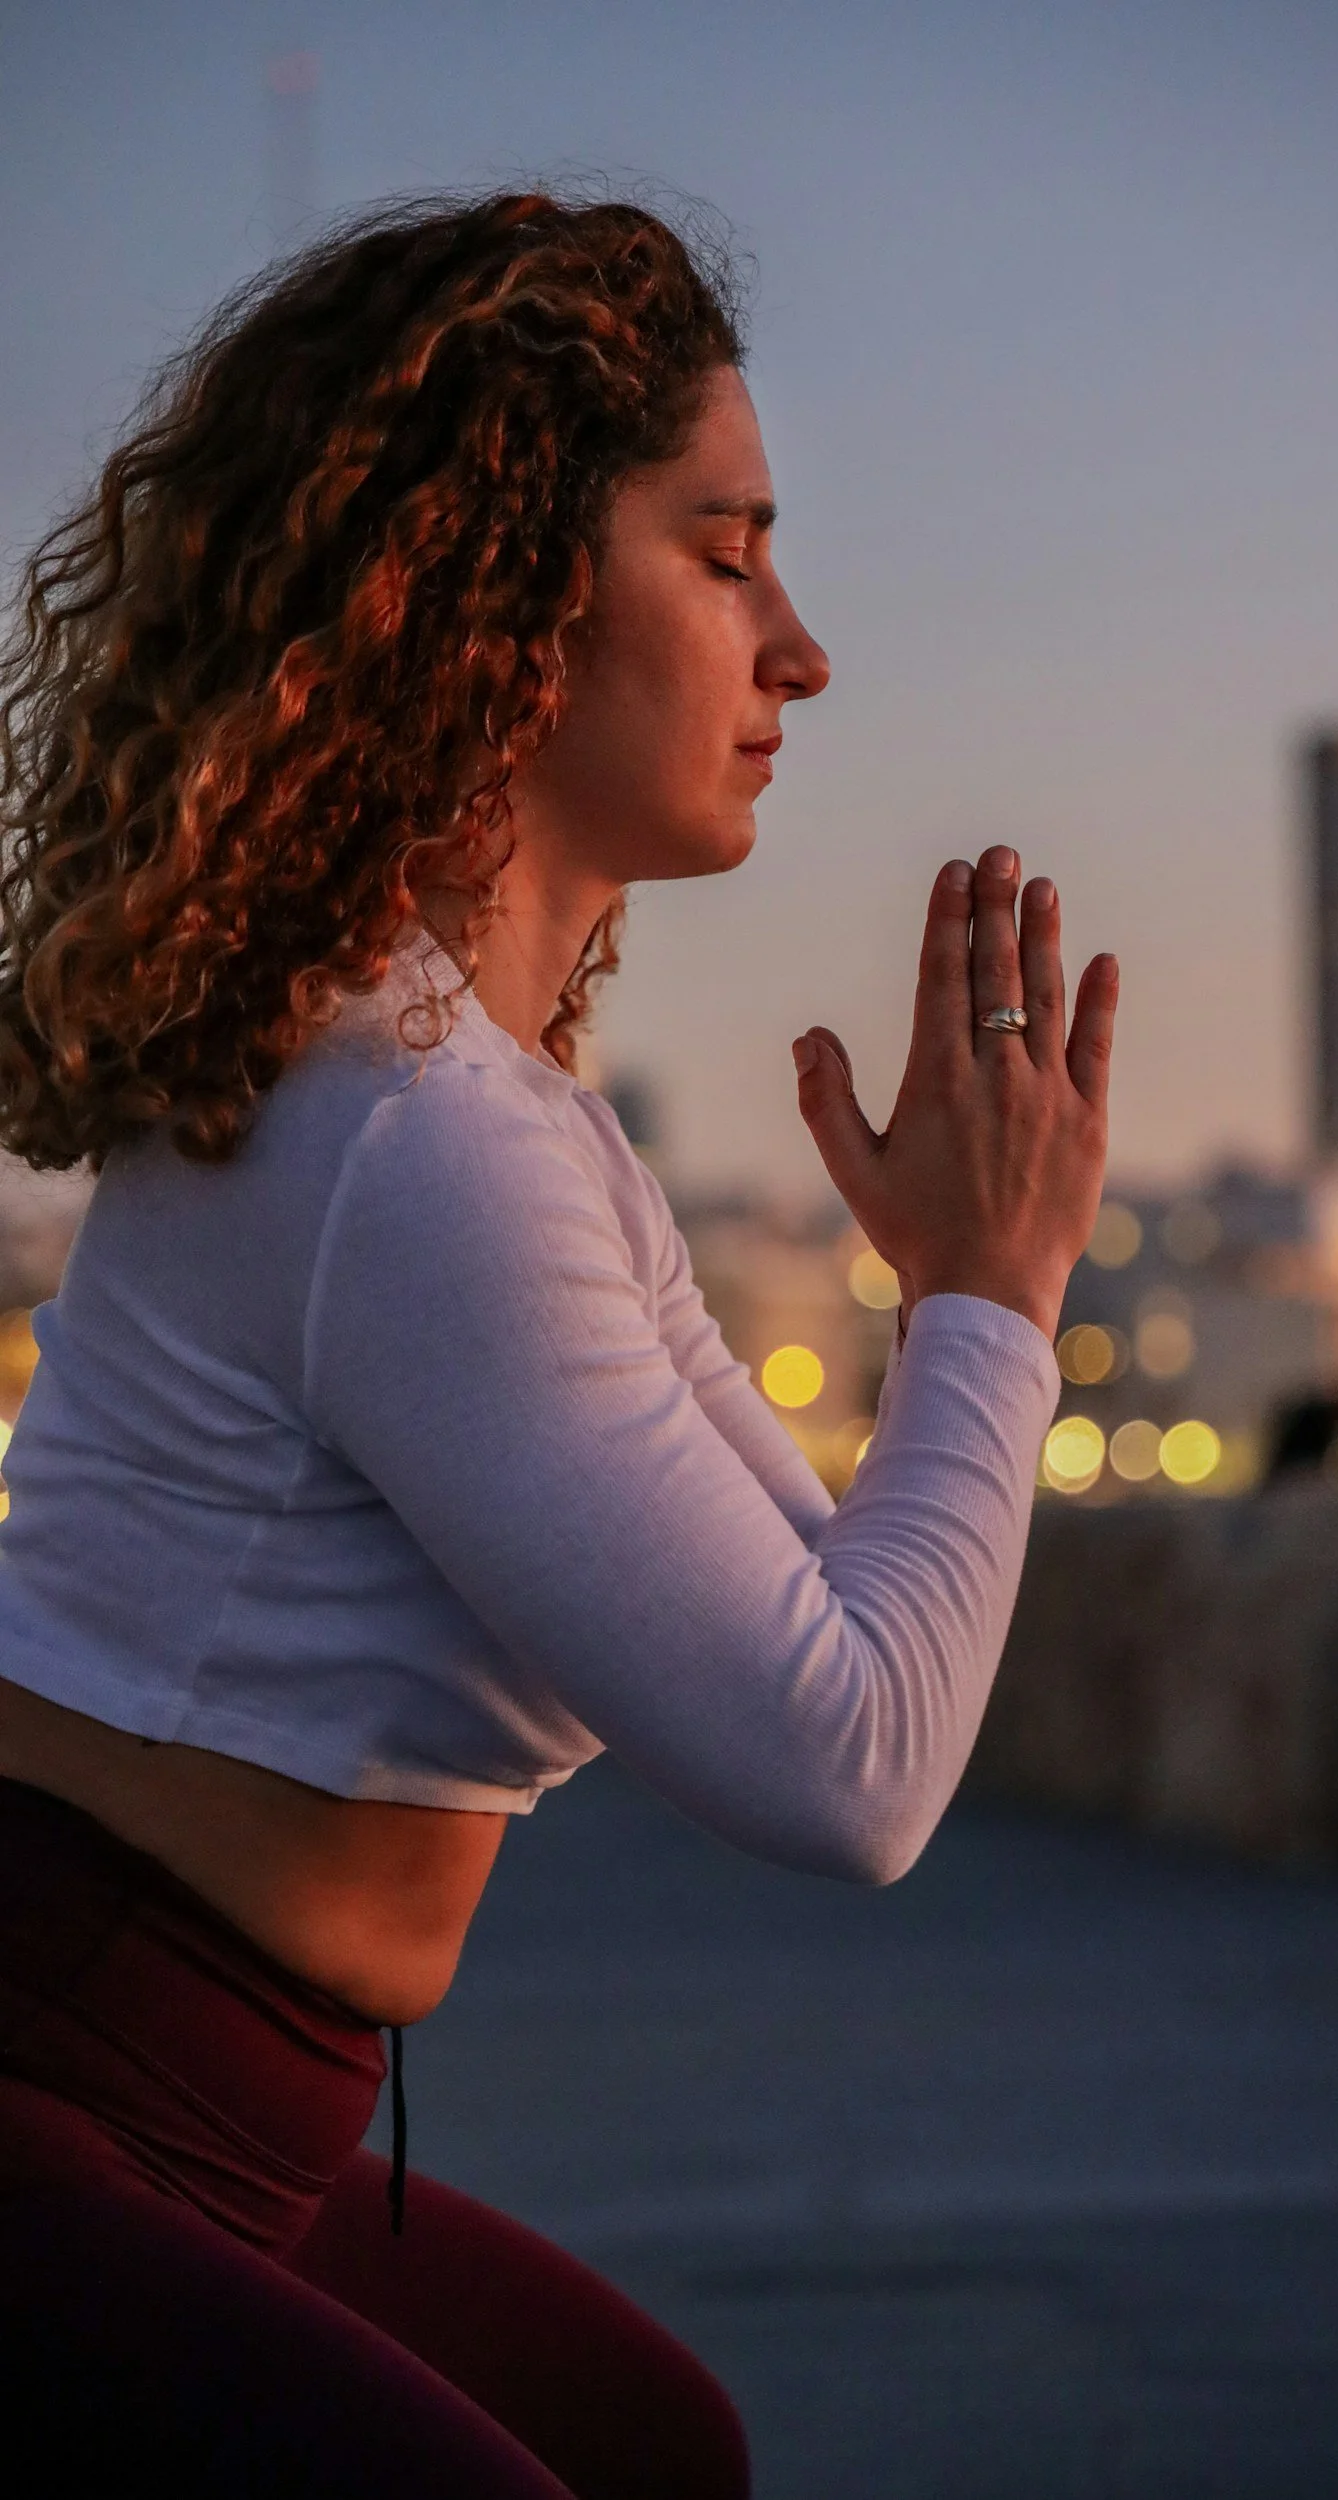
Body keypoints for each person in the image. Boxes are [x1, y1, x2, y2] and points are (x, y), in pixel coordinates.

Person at [0, 191, 1118, 2496]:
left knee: (653, 2438)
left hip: (226, 2110)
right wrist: (992, 1305)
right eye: (724, 552)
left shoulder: (491, 1115)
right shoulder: (405, 1138)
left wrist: (952, 1305)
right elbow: (850, 1769)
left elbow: (821, 1625)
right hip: (62, 2080)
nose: (795, 647)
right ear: (497, 591)